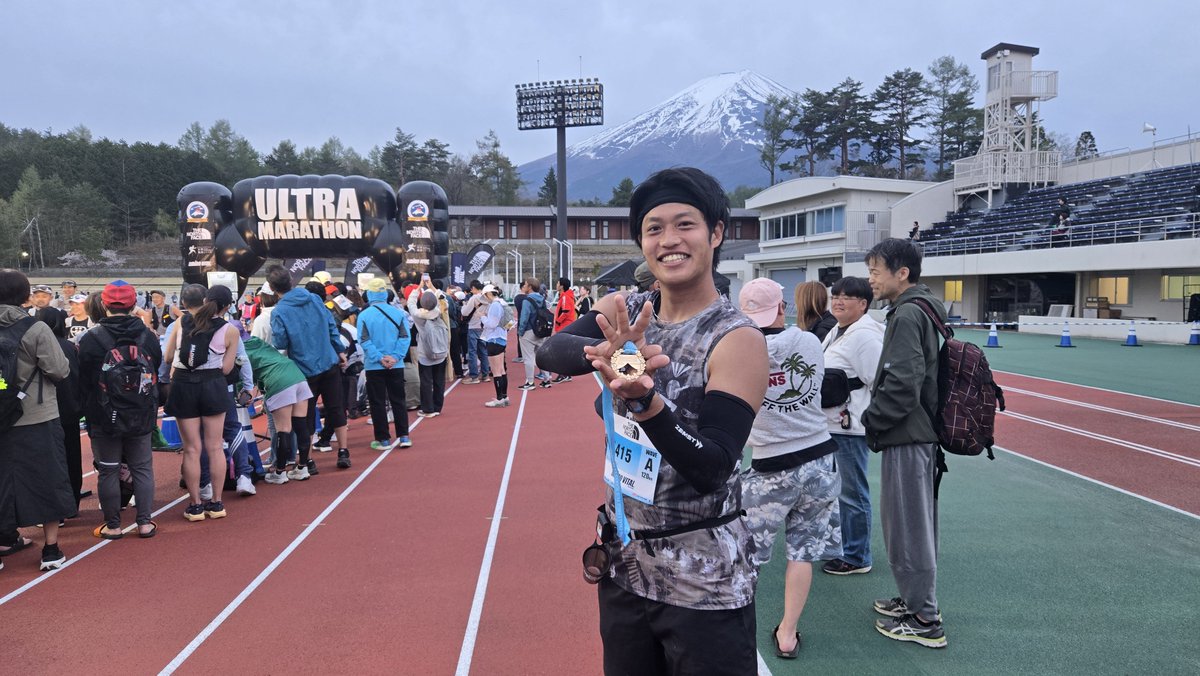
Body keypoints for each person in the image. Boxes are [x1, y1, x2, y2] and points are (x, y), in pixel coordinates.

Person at [536, 167, 769, 675]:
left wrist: (647, 400)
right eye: (653, 228)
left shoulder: (736, 339)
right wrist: (610, 353)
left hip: (702, 582)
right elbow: (549, 350)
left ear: (717, 232)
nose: (669, 240)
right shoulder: (628, 309)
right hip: (625, 564)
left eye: (685, 224)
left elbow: (712, 465)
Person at [737, 277, 841, 659]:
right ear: (781, 308)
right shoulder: (809, 341)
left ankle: (736, 628)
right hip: (819, 458)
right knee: (802, 552)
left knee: (748, 556)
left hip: (769, 466)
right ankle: (788, 633)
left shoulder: (740, 351)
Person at [862, 237, 948, 649]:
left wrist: (870, 420)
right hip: (916, 434)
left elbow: (902, 383)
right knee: (911, 523)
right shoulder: (923, 307)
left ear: (902, 273)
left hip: (908, 434)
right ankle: (914, 600)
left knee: (909, 526)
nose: (871, 279)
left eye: (876, 271)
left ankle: (925, 618)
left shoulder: (909, 314)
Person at [0, 269, 73, 571]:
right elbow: (59, 369)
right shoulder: (36, 328)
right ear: (24, 295)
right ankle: (51, 549)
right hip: (35, 413)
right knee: (47, 479)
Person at [77, 281, 162, 538]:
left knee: (108, 468)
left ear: (104, 305)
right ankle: (145, 522)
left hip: (104, 414)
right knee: (142, 467)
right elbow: (156, 367)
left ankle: (113, 525)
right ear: (134, 304)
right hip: (141, 411)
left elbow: (84, 379)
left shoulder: (90, 339)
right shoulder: (148, 336)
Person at [819, 277, 884, 577]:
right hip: (833, 424)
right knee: (839, 491)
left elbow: (878, 380)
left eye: (847, 297)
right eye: (836, 296)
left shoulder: (865, 336)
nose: (839, 301)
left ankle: (858, 556)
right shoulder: (839, 329)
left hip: (850, 425)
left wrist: (869, 418)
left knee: (852, 493)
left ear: (863, 304)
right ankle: (846, 548)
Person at [164, 284, 241, 521]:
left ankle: (195, 505)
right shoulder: (230, 330)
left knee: (191, 448)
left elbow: (168, 357)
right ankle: (217, 504)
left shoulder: (180, 322)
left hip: (183, 385)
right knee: (215, 446)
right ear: (224, 306)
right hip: (213, 386)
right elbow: (227, 368)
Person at [268, 265, 350, 475]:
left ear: (271, 287)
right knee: (336, 407)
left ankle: (308, 461)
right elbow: (331, 325)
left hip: (304, 369)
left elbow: (280, 342)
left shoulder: (279, 311)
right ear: (291, 280)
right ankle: (343, 451)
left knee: (304, 415)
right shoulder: (314, 299)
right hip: (328, 360)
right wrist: (339, 350)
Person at [35, 307, 85, 515]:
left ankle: (53, 508)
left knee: (49, 460)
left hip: (45, 409)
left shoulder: (35, 346)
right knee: (72, 457)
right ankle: (72, 502)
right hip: (71, 408)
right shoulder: (71, 346)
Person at [358, 279, 413, 450]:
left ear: (369, 294)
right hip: (396, 365)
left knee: (377, 402)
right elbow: (405, 337)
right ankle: (404, 436)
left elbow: (364, 340)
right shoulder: (398, 313)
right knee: (398, 400)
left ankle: (383, 439)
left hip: (374, 366)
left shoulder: (364, 315)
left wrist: (379, 358)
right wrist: (395, 357)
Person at [410, 289, 449, 416]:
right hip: (441, 352)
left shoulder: (418, 317)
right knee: (439, 380)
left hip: (425, 354)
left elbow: (411, 303)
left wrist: (417, 289)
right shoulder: (438, 312)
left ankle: (428, 409)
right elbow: (443, 300)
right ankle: (438, 406)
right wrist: (431, 286)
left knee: (426, 382)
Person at [516, 277, 552, 390]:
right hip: (540, 330)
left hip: (528, 331)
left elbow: (524, 318)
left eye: (526, 285)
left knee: (528, 358)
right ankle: (547, 379)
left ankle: (530, 382)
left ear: (530, 287)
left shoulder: (527, 300)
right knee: (540, 356)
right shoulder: (541, 298)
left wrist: (520, 332)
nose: (524, 286)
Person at [480, 285, 511, 408]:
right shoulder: (502, 303)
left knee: (496, 371)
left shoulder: (494, 305)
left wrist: (482, 317)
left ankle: (499, 398)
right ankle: (504, 396)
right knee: (502, 370)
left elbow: (491, 324)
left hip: (493, 339)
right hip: (502, 338)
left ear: (488, 294)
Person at [460, 280, 492, 384]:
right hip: (484, 326)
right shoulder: (488, 298)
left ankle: (474, 376)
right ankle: (485, 374)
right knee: (483, 351)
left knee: (472, 352)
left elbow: (465, 312)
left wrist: (464, 305)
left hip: (473, 326)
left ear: (473, 288)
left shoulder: (474, 298)